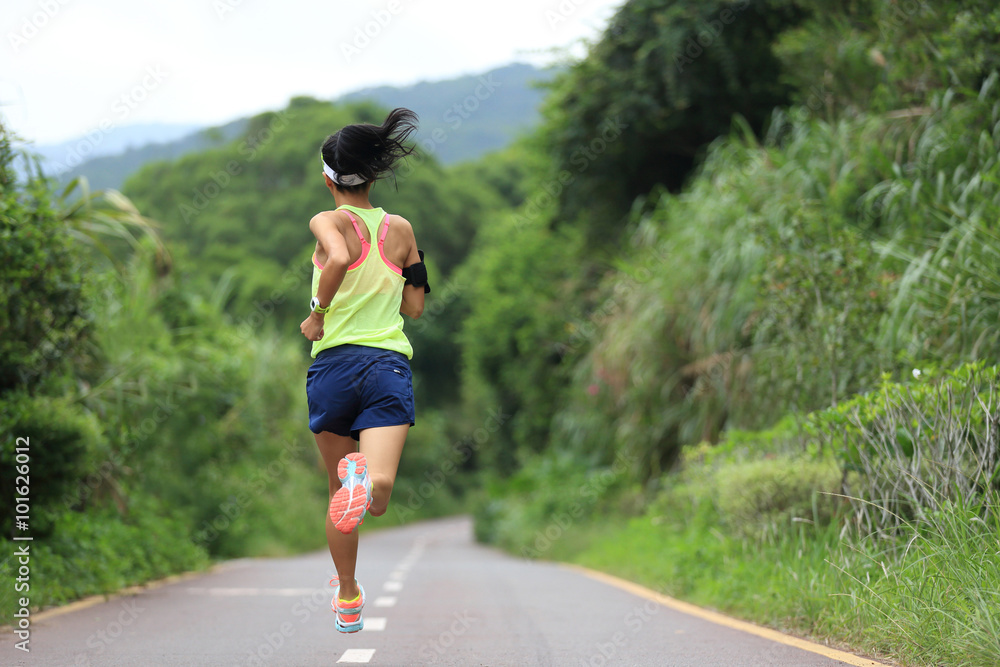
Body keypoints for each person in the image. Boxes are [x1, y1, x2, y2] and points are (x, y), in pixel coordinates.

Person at [299, 107, 429, 634]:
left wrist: (317, 315)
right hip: (386, 367)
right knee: (374, 491)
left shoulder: (327, 220)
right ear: (372, 176)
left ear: (328, 176)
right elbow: (415, 307)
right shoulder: (400, 229)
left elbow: (334, 260)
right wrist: (408, 265)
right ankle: (367, 481)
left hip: (333, 368)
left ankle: (348, 595)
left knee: (338, 499)